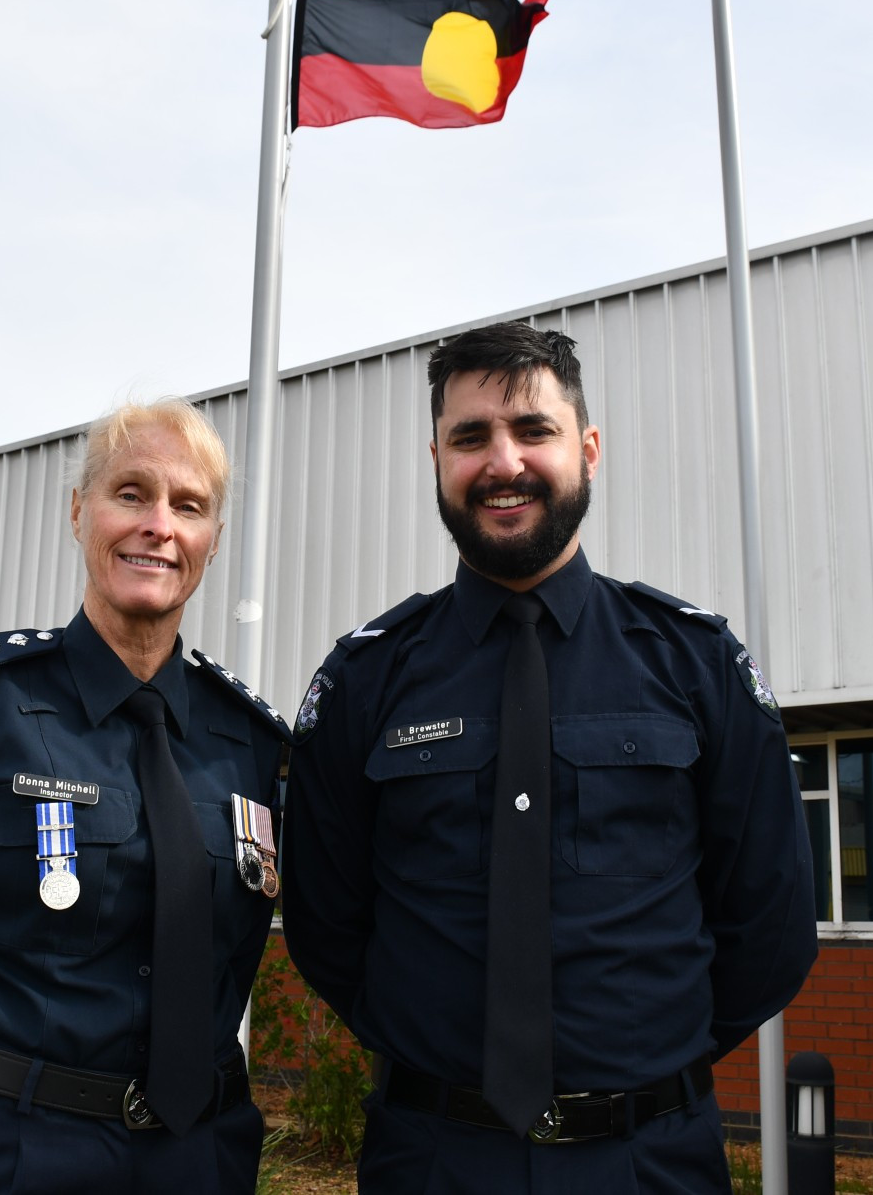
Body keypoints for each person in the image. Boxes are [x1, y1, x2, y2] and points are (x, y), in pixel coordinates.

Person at [281, 322, 816, 1193]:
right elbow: (324, 922)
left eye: (534, 430)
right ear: (437, 459)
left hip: (649, 1159)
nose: (503, 462)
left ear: (588, 448)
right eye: (470, 437)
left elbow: (771, 924)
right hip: (432, 1157)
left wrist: (643, 1057)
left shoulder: (693, 663)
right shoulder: (365, 678)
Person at [0, 398, 289, 1195]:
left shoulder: (253, 743)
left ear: (210, 540)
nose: (158, 525)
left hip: (196, 1161)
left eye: (189, 505)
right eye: (130, 493)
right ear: (80, 511)